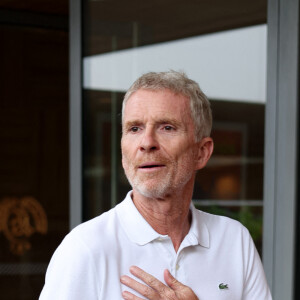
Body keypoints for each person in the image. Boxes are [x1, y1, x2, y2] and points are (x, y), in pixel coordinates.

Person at [40, 71, 272, 300]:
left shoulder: (234, 240)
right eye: (134, 128)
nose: (147, 142)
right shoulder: (85, 247)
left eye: (167, 127)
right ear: (123, 152)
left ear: (201, 152)